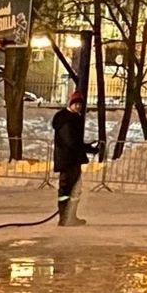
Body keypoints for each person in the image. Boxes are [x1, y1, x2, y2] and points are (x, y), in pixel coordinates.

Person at [52, 90, 87, 226]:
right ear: (71, 103)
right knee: (66, 189)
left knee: (75, 189)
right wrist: (84, 148)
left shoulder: (75, 118)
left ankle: (71, 216)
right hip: (67, 160)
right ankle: (64, 217)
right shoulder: (65, 120)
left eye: (80, 104)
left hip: (73, 159)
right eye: (76, 103)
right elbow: (70, 141)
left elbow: (75, 141)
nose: (78, 106)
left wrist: (87, 147)